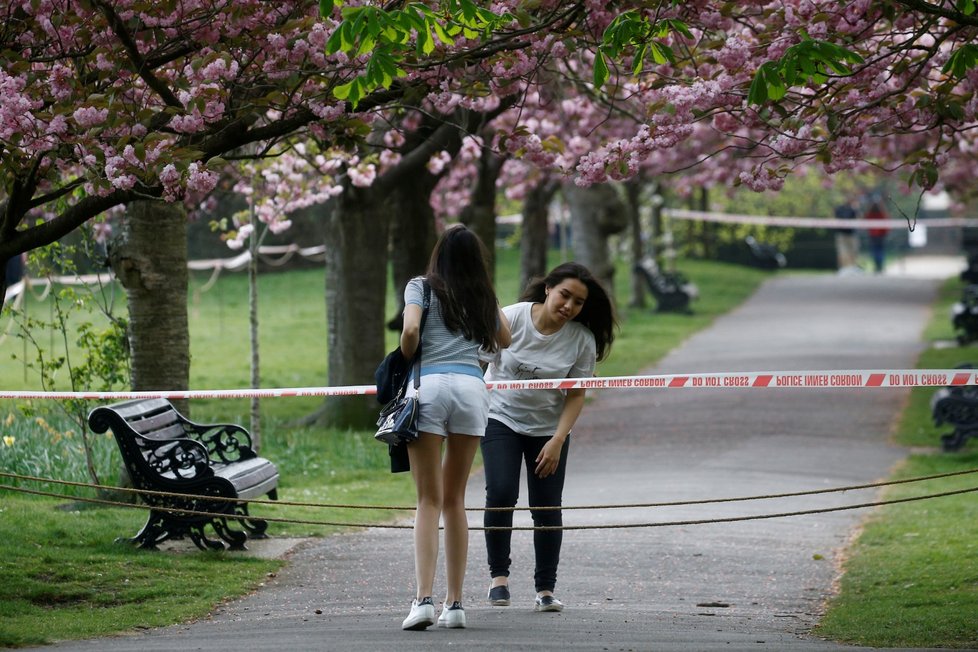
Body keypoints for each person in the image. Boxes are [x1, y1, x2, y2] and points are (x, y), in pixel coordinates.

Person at [481, 262, 617, 613]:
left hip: (548, 429)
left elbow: (575, 394)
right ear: (548, 289)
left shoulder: (581, 340)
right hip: (500, 418)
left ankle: (545, 588)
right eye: (564, 295)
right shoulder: (511, 318)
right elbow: (480, 363)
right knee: (500, 492)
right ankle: (499, 579)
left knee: (546, 507)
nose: (568, 307)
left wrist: (558, 439)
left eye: (578, 302)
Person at [398, 224, 511, 631]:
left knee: (428, 499)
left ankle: (423, 599)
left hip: (429, 385)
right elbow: (506, 338)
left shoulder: (420, 287)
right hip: (471, 387)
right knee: (456, 499)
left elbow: (411, 330)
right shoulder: (482, 292)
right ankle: (456, 603)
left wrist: (408, 354)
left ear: (439, 253)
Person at [833, 197, 859, 272]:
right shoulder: (839, 209)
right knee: (842, 252)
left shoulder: (853, 208)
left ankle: (853, 268)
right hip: (841, 235)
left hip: (852, 235)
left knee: (853, 251)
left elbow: (857, 218)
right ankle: (843, 268)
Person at [864, 200, 889, 273]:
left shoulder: (871, 214)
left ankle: (878, 266)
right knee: (879, 251)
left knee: (876, 251)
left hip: (875, 236)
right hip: (879, 236)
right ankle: (880, 266)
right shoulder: (882, 214)